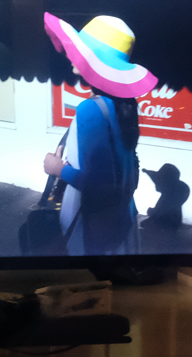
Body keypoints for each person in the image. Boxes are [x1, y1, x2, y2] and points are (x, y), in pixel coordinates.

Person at [40, 13, 156, 258]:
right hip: (123, 211)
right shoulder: (126, 104)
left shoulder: (90, 109)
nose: (72, 57)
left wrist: (57, 168)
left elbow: (96, 183)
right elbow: (124, 162)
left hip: (90, 216)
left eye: (80, 52)